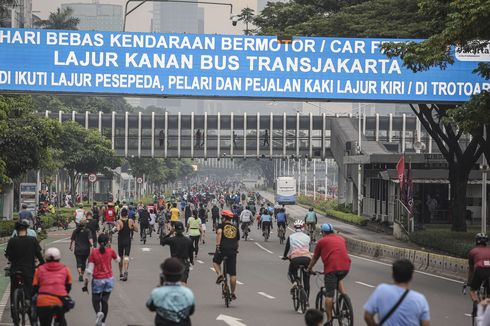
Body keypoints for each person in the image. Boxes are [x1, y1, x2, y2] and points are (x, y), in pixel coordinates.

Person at [364, 259, 430, 326]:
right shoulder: (420, 299)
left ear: (393, 274)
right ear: (411, 276)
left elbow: (367, 316)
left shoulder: (382, 290)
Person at [307, 223, 351, 325]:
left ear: (323, 232)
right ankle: (345, 300)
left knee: (329, 294)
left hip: (332, 269)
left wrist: (309, 268)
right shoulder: (341, 239)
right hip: (346, 267)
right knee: (338, 279)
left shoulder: (322, 241)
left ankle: (329, 320)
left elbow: (315, 257)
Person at [5, 220, 45, 322]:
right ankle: (27, 300)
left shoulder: (12, 241)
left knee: (13, 288)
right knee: (30, 287)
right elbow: (39, 254)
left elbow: (8, 255)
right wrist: (42, 263)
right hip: (28, 270)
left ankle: (14, 307)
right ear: (26, 229)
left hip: (15, 270)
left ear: (17, 230)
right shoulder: (32, 240)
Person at [83, 234, 120, 326]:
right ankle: (103, 322)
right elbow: (118, 260)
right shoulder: (110, 251)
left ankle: (98, 313)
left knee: (95, 299)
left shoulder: (94, 252)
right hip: (109, 279)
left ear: (98, 242)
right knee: (104, 300)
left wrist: (86, 281)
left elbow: (90, 269)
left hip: (98, 280)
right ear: (108, 242)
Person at [146, 258, 195, 326]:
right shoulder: (188, 293)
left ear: (164, 275)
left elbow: (150, 306)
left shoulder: (157, 292)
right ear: (180, 275)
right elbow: (191, 311)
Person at [32, 247, 72, 326]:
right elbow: (68, 285)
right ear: (59, 258)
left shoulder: (40, 269)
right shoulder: (65, 269)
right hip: (60, 300)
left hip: (43, 302)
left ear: (46, 258)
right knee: (61, 319)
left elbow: (35, 287)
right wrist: (64, 294)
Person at [213, 210, 239, 300]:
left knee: (215, 262)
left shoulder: (221, 226)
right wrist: (236, 249)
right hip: (233, 251)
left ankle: (220, 275)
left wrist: (218, 246)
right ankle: (233, 293)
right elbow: (237, 241)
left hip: (222, 249)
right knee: (233, 274)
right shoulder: (235, 228)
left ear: (224, 218)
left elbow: (219, 233)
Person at [283, 220, 311, 297]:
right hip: (307, 259)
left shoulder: (291, 237)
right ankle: (306, 299)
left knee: (291, 272)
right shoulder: (308, 237)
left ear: (295, 228)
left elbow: (287, 248)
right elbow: (309, 248)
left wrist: (285, 256)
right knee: (306, 276)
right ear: (303, 227)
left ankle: (295, 282)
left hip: (295, 259)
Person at [116, 207, 138, 281]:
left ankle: (120, 273)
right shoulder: (130, 221)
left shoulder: (119, 221)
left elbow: (118, 229)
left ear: (121, 214)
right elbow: (136, 229)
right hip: (127, 241)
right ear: (127, 214)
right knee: (126, 257)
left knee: (120, 257)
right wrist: (131, 226)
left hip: (120, 241)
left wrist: (116, 228)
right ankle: (125, 271)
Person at [468, 233, 490, 303]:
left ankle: (475, 303)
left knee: (472, 291)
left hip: (479, 270)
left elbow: (471, 269)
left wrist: (469, 282)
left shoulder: (473, 251)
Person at [69, 218, 93, 282]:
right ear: (85, 224)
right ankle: (82, 273)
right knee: (84, 262)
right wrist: (92, 244)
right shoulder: (88, 231)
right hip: (86, 249)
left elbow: (72, 240)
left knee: (78, 262)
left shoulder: (75, 231)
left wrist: (70, 246)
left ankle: (80, 274)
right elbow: (90, 239)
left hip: (77, 249)